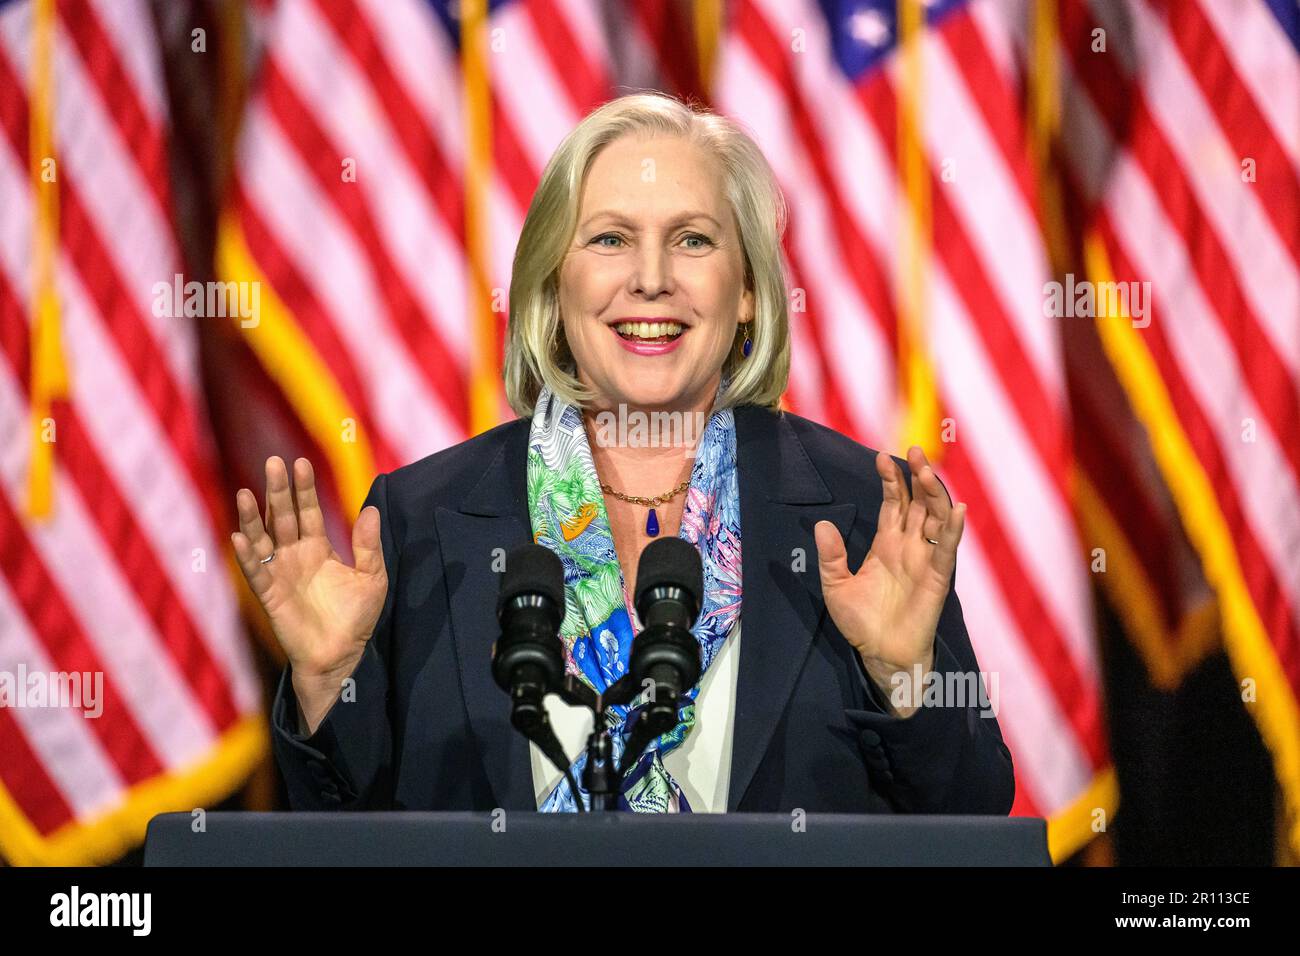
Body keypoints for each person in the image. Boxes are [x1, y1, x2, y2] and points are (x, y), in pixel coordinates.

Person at [233, 92, 1014, 814]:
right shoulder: (421, 518)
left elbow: (974, 816)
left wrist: (905, 681)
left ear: (746, 290)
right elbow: (342, 838)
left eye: (692, 240)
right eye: (610, 238)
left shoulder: (858, 510)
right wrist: (331, 683)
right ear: (551, 283)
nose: (650, 280)